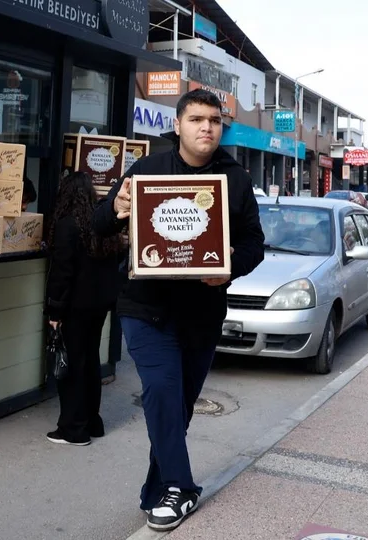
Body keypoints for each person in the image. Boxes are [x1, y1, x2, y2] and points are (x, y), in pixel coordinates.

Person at [93, 90, 265, 531]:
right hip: (144, 307)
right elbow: (98, 221)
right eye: (196, 119)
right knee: (161, 391)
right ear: (178, 125)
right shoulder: (147, 170)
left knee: (180, 405)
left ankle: (158, 491)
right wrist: (116, 207)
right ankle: (183, 488)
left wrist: (227, 269)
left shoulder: (235, 180)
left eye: (214, 120)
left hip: (201, 312)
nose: (206, 127)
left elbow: (253, 246)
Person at [44, 171, 123, 446]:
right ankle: (92, 422)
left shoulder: (67, 225)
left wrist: (54, 312)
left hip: (74, 307)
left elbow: (62, 273)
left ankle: (73, 430)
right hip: (99, 305)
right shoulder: (100, 224)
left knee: (73, 366)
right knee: (90, 361)